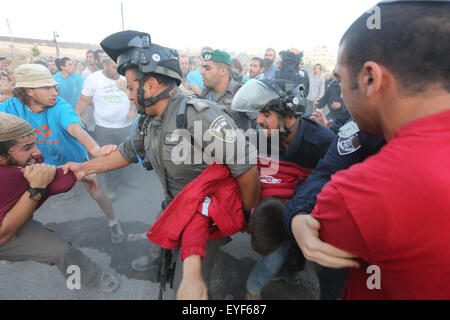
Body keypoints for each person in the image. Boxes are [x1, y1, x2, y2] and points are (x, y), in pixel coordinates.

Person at [62, 30, 260, 300]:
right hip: (173, 203)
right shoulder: (148, 119)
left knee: (186, 285)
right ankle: (160, 257)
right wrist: (84, 169)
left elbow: (246, 168)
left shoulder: (197, 115)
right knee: (163, 240)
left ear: (152, 85)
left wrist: (247, 215)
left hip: (206, 216)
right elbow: (127, 152)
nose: (129, 96)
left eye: (131, 88)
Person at [291, 0, 450, 299]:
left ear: (369, 79)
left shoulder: (359, 192)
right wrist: (299, 216)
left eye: (339, 80)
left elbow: (333, 202)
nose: (340, 90)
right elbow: (325, 172)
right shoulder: (360, 134)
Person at [231, 77, 335, 299]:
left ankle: (289, 270)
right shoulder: (263, 137)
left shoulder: (321, 141)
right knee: (277, 249)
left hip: (309, 210)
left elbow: (333, 183)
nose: (258, 121)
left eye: (266, 114)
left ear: (288, 115)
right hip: (274, 207)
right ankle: (253, 288)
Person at [0, 64, 125, 245]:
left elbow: (74, 127)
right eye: (46, 88)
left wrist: (96, 150)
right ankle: (19, 233)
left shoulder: (59, 105)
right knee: (26, 198)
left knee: (95, 190)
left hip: (74, 159)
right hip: (41, 162)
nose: (54, 92)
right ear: (28, 90)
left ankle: (113, 222)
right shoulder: (10, 107)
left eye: (54, 87)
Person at [0, 112, 120, 293]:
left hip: (10, 220)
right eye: (27, 148)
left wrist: (92, 161)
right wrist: (36, 188)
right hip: (4, 232)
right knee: (56, 250)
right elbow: (3, 235)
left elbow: (58, 179)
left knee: (61, 251)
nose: (38, 153)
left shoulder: (28, 162)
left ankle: (92, 277)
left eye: (34, 144)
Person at [75, 55, 138, 200]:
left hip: (125, 125)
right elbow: (85, 99)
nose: (118, 71)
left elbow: (135, 95)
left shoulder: (125, 76)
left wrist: (131, 107)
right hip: (104, 127)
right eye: (114, 67)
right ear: (104, 65)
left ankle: (127, 179)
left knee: (128, 154)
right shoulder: (93, 79)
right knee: (109, 158)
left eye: (119, 67)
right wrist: (77, 114)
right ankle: (112, 187)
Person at [201, 49, 257, 131]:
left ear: (223, 71)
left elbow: (258, 122)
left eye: (207, 68)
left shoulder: (241, 93)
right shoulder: (205, 93)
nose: (202, 72)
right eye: (203, 68)